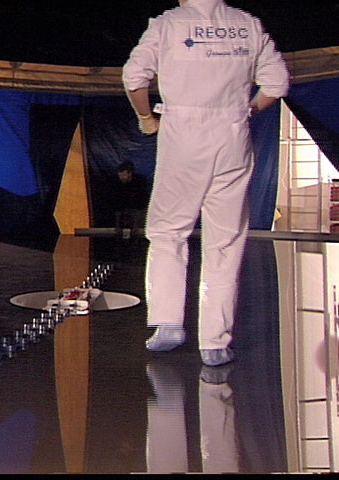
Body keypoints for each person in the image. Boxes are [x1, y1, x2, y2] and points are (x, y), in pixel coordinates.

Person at [122, 0, 289, 366]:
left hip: (183, 135)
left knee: (169, 231)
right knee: (226, 240)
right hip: (233, 136)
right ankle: (215, 342)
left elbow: (134, 77)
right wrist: (245, 111)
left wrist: (146, 118)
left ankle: (168, 323)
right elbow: (277, 84)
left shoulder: (168, 24)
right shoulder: (248, 24)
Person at [113, 160, 149, 238]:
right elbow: (117, 205)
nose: (121, 178)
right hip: (125, 210)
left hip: (139, 210)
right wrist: (117, 225)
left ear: (130, 173)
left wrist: (136, 225)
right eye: (120, 175)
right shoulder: (117, 183)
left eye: (124, 175)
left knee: (138, 233)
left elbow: (140, 205)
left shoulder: (139, 182)